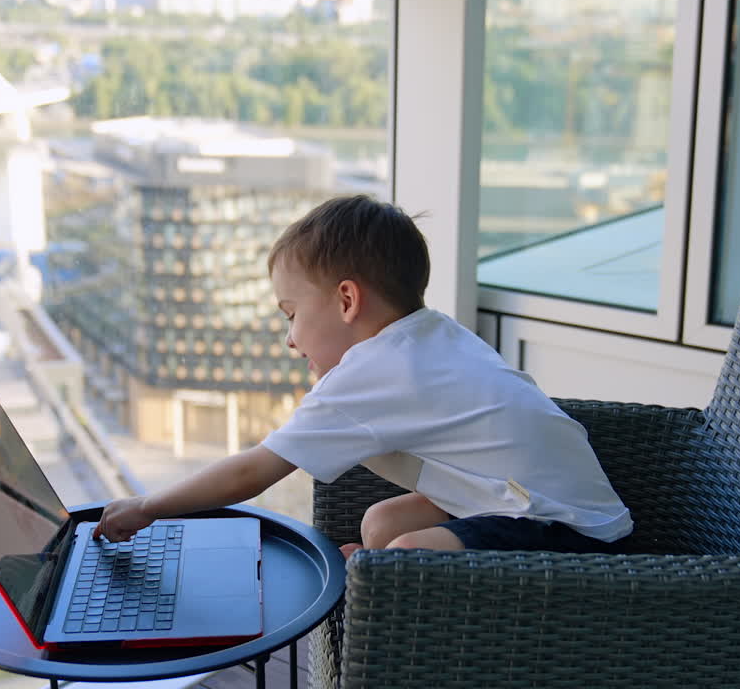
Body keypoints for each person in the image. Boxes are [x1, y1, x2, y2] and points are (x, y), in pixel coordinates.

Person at [94, 195, 632, 557]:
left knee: (404, 556)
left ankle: (397, 624)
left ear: (347, 300)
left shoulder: (375, 371)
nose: (290, 339)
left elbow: (249, 474)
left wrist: (148, 507)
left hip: (568, 535)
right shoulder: (430, 334)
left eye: (291, 315)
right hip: (543, 502)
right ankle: (381, 587)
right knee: (380, 525)